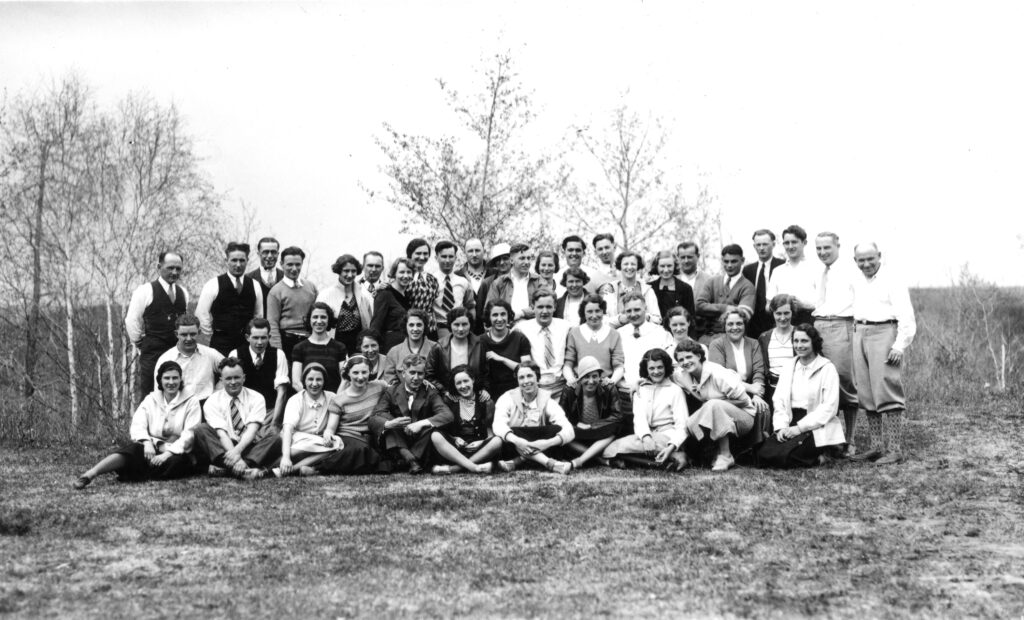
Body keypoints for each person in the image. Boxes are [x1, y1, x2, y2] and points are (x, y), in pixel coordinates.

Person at [73, 361, 201, 489]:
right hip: (152, 445)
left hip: (176, 449)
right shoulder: (151, 399)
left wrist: (166, 454)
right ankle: (90, 474)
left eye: (175, 378)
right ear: (160, 380)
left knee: (176, 464)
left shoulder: (191, 401)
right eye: (167, 378)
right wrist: (147, 443)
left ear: (180, 379)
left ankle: (133, 471)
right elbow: (138, 424)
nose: (171, 382)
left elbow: (190, 433)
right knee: (133, 450)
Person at [849, 242, 916, 465]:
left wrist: (899, 346)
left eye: (870, 259)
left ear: (879, 256)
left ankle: (894, 449)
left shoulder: (892, 280)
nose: (866, 264)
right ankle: (876, 447)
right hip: (860, 332)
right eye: (861, 260)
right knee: (867, 393)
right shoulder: (856, 281)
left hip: (884, 333)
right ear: (855, 260)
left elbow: (906, 317)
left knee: (887, 390)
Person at [760, 324, 844, 467]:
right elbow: (779, 399)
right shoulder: (789, 366)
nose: (799, 345)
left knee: (790, 456)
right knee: (763, 455)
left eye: (804, 341)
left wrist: (799, 428)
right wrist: (781, 427)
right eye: (796, 341)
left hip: (815, 424)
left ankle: (826, 453)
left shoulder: (827, 368)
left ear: (814, 342)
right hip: (790, 419)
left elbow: (829, 407)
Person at [190, 357, 282, 479]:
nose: (233, 382)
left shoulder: (256, 397)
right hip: (225, 446)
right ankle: (244, 469)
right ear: (221, 380)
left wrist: (237, 452)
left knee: (275, 436)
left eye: (236, 377)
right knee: (201, 429)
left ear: (244, 378)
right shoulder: (212, 401)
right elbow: (222, 434)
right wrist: (235, 455)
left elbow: (252, 430)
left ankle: (231, 468)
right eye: (228, 378)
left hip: (250, 444)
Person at [673, 339, 756, 472]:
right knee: (689, 423)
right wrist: (641, 381)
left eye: (689, 357)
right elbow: (666, 374)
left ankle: (726, 456)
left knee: (713, 405)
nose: (685, 362)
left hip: (744, 417)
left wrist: (716, 404)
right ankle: (706, 454)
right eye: (681, 359)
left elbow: (744, 402)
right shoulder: (683, 375)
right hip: (718, 414)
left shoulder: (717, 373)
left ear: (699, 356)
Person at [811, 232, 861, 456]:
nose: (822, 253)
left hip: (841, 326)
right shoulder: (820, 271)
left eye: (826, 248)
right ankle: (829, 440)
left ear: (838, 246)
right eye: (819, 249)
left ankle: (850, 440)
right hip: (819, 325)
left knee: (844, 381)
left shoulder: (851, 271)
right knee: (821, 382)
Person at [603, 348, 689, 470]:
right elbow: (639, 418)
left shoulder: (675, 390)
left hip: (668, 436)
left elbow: (682, 425)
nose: (656, 371)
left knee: (621, 451)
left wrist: (672, 445)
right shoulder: (640, 389)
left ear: (666, 367)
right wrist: (646, 437)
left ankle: (672, 453)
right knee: (611, 450)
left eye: (660, 367)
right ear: (646, 369)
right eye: (652, 368)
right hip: (646, 435)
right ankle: (670, 458)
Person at [369, 354, 453, 474]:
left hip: (421, 441)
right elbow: (374, 417)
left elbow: (447, 415)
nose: (416, 377)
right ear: (403, 373)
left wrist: (421, 423)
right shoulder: (392, 391)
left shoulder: (431, 392)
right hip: (399, 437)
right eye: (412, 372)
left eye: (420, 374)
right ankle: (411, 460)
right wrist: (389, 423)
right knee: (386, 421)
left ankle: (404, 460)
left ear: (425, 375)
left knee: (432, 428)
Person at [492, 362, 575, 474]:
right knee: (510, 433)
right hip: (513, 446)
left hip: (540, 446)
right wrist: (517, 440)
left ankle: (518, 461)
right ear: (517, 381)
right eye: (521, 377)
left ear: (538, 378)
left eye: (530, 376)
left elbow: (569, 430)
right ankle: (550, 463)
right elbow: (497, 425)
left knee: (556, 429)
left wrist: (546, 443)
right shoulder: (507, 398)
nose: (526, 381)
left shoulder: (547, 400)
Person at [125, 251, 188, 395]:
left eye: (178, 269)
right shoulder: (145, 291)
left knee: (177, 393)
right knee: (150, 395)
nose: (174, 272)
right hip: (153, 354)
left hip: (177, 352)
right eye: (170, 268)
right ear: (159, 267)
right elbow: (132, 320)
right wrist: (140, 343)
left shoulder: (183, 292)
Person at [320, 356, 389, 475]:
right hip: (348, 436)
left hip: (371, 436)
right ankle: (318, 469)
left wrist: (423, 382)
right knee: (360, 449)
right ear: (348, 374)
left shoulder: (379, 386)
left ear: (370, 372)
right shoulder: (339, 399)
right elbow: (331, 428)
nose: (360, 377)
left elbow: (399, 390)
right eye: (355, 373)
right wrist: (328, 434)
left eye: (364, 372)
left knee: (373, 452)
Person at [430, 366, 503, 474]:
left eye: (466, 381)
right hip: (455, 450)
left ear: (473, 380)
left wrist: (481, 442)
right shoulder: (450, 400)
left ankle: (454, 469)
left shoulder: (486, 401)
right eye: (458, 383)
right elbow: (444, 429)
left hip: (479, 450)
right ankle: (474, 467)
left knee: (498, 441)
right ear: (454, 385)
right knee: (435, 435)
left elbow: (490, 430)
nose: (463, 386)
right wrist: (454, 439)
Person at [196, 242, 263, 356]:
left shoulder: (255, 285)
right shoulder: (213, 284)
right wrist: (211, 336)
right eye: (234, 260)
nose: (238, 264)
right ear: (226, 260)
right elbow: (201, 314)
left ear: (247, 260)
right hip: (220, 343)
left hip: (246, 344)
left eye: (242, 260)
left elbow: (259, 316)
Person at [558, 356, 624, 470]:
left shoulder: (608, 387)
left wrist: (592, 426)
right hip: (579, 433)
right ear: (579, 378)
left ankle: (579, 461)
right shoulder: (569, 389)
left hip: (600, 433)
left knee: (617, 427)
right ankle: (601, 459)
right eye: (586, 377)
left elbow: (617, 416)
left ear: (600, 377)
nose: (591, 381)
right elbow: (560, 418)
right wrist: (577, 424)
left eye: (595, 376)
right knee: (560, 432)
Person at [276, 363, 341, 477]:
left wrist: (328, 433)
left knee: (336, 443)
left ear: (324, 381)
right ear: (304, 381)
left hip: (319, 441)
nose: (314, 384)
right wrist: (286, 457)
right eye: (310, 379)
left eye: (319, 379)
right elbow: (288, 430)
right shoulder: (296, 400)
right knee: (328, 446)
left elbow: (332, 424)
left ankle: (292, 470)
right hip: (295, 439)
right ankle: (286, 464)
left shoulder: (331, 397)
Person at [616, 294, 674, 416]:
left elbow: (668, 365)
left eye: (637, 309)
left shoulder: (661, 333)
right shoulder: (618, 334)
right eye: (629, 311)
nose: (633, 314)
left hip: (654, 391)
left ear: (645, 309)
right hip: (625, 393)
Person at [228, 318, 289, 430]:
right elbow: (231, 388)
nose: (260, 342)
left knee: (274, 437)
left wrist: (274, 424)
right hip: (244, 411)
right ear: (247, 337)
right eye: (255, 338)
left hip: (269, 412)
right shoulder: (236, 354)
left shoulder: (278, 355)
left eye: (263, 338)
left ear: (269, 337)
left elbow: (282, 392)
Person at [708, 310, 769, 415]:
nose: (735, 327)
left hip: (750, 394)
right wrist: (749, 387)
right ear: (724, 326)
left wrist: (757, 396)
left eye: (739, 323)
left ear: (745, 325)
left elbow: (758, 371)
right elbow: (720, 377)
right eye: (730, 324)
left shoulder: (753, 343)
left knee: (762, 408)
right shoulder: (717, 345)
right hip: (726, 396)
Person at [153, 314, 224, 403]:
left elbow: (231, 369)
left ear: (199, 332)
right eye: (184, 334)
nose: (189, 338)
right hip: (178, 407)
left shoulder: (210, 354)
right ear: (176, 334)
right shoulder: (166, 359)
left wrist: (217, 393)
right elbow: (159, 393)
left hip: (205, 406)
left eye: (193, 334)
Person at [516, 289, 571, 401]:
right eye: (540, 307)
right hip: (535, 385)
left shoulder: (565, 327)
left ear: (555, 307)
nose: (544, 311)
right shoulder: (522, 328)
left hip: (560, 385)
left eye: (549, 307)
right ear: (532, 307)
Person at [563, 294, 625, 394]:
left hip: (605, 390)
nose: (594, 315)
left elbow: (619, 366)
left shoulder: (614, 334)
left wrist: (611, 382)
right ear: (584, 313)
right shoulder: (574, 333)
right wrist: (571, 380)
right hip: (581, 389)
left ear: (603, 311)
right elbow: (568, 364)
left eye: (597, 311)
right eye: (589, 311)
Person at [695, 244, 755, 344]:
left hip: (733, 340)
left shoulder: (748, 286)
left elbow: (743, 315)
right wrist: (725, 308)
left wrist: (710, 310)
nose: (729, 265)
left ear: (742, 260)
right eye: (726, 261)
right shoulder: (712, 281)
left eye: (734, 261)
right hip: (707, 338)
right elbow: (699, 306)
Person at [267, 246, 319, 360]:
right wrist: (278, 351)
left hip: (310, 339)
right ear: (281, 264)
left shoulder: (311, 287)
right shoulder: (276, 291)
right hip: (288, 342)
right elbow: (272, 324)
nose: (294, 268)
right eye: (290, 264)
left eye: (298, 264)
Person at [317, 254, 374, 354]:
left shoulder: (363, 297)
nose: (350, 275)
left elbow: (368, 324)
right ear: (339, 271)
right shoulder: (326, 295)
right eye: (346, 271)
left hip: (357, 347)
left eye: (353, 271)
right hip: (333, 346)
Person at [766, 225, 819, 325]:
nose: (790, 246)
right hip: (783, 323)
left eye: (794, 242)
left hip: (809, 322)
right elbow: (768, 305)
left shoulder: (816, 268)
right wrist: (780, 303)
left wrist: (803, 305)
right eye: (787, 243)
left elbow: (824, 303)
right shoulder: (778, 271)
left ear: (804, 243)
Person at [480, 300, 533, 399]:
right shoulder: (481, 341)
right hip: (490, 393)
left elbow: (527, 369)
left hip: (517, 390)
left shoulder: (519, 338)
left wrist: (502, 359)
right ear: (489, 317)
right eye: (495, 315)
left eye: (503, 314)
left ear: (509, 316)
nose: (499, 319)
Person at [290, 302, 348, 393]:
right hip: (308, 402)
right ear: (309, 319)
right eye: (315, 317)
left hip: (333, 401)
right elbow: (296, 382)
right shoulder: (299, 348)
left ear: (329, 320)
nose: (319, 321)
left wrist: (334, 401)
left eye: (323, 317)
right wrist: (312, 399)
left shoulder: (339, 347)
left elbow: (344, 381)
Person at [436, 307, 490, 398]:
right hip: (449, 398)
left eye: (464, 324)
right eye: (456, 324)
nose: (460, 329)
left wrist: (485, 389)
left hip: (474, 396)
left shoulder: (480, 345)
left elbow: (487, 372)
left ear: (470, 325)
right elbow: (430, 375)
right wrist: (444, 391)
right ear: (450, 325)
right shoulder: (439, 347)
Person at [382, 308, 442, 386]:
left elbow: (442, 378)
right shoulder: (394, 352)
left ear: (425, 326)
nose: (415, 329)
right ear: (405, 327)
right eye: (411, 325)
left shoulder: (437, 348)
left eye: (419, 325)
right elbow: (390, 382)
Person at [599, 251, 661, 327]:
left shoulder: (647, 290)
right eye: (625, 264)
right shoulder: (610, 290)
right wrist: (619, 320)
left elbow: (658, 320)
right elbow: (603, 321)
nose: (629, 267)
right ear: (620, 266)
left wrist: (645, 317)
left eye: (633, 264)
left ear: (638, 266)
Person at [743, 229, 785, 338]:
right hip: (754, 324)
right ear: (754, 246)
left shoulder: (782, 266)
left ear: (774, 244)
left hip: (776, 319)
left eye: (765, 244)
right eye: (758, 245)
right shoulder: (748, 270)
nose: (761, 248)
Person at [431, 240, 476, 341]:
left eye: (451, 256)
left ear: (455, 258)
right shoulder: (430, 281)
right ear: (436, 258)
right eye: (443, 256)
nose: (447, 260)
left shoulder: (463, 282)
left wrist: (470, 327)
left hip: (461, 328)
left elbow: (470, 306)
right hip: (439, 329)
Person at [486, 243, 541, 322]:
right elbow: (489, 312)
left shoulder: (539, 281)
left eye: (529, 258)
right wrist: (522, 313)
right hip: (507, 330)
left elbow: (543, 307)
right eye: (522, 258)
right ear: (511, 260)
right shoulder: (498, 283)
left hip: (533, 329)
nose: (526, 262)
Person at [758, 294, 798, 403]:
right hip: (772, 391)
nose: (783, 318)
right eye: (778, 313)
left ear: (792, 313)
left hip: (795, 390)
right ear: (773, 313)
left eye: (786, 313)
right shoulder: (764, 338)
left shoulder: (801, 335)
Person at [370, 257, 414, 352]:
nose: (406, 276)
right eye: (402, 272)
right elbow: (375, 325)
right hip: (389, 347)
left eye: (409, 272)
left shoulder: (408, 295)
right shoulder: (384, 294)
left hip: (407, 346)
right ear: (394, 273)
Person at [404, 238, 440, 335]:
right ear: (410, 254)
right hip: (410, 328)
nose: (422, 257)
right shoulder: (403, 278)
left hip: (430, 327)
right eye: (418, 253)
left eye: (425, 254)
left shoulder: (432, 279)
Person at [649, 249, 696, 325]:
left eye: (669, 266)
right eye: (662, 266)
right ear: (656, 266)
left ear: (675, 266)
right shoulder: (649, 288)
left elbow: (691, 319)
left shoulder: (685, 289)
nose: (666, 270)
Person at [473, 242, 512, 333]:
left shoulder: (519, 281)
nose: (502, 262)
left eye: (505, 258)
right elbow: (481, 312)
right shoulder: (487, 283)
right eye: (498, 260)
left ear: (512, 260)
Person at [676, 242, 711, 318]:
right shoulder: (671, 280)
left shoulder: (709, 280)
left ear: (698, 256)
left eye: (689, 257)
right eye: (682, 257)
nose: (686, 261)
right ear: (677, 257)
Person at [248, 237, 283, 310]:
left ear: (278, 254)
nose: (270, 256)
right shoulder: (248, 279)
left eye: (273, 252)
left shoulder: (286, 278)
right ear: (258, 254)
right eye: (266, 252)